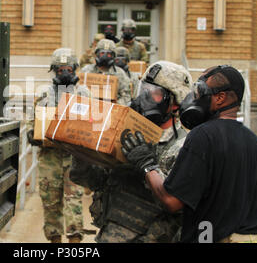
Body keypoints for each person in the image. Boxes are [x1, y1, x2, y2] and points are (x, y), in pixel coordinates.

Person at [123, 65, 257, 243]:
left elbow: (171, 201)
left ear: (220, 98)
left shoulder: (202, 137)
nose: (194, 98)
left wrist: (146, 163)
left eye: (200, 91)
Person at [70, 61, 193, 243]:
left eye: (155, 93)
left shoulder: (183, 147)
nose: (145, 97)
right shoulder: (126, 133)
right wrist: (81, 154)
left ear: (175, 103)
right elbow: (94, 181)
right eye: (143, 89)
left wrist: (147, 165)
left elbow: (177, 208)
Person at [26, 48, 89, 243]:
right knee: (50, 202)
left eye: (68, 68)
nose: (65, 73)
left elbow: (93, 123)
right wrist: (32, 134)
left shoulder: (84, 93)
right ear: (54, 70)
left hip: (75, 158)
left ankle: (75, 242)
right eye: (60, 69)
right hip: (49, 159)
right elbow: (33, 121)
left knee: (74, 203)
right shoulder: (44, 93)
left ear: (75, 69)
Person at [80, 39, 131, 106]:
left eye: (109, 54)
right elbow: (78, 92)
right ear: (96, 54)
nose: (105, 56)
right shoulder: (86, 71)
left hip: (112, 111)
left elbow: (126, 96)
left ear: (113, 56)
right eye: (102, 53)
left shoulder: (120, 73)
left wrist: (116, 105)